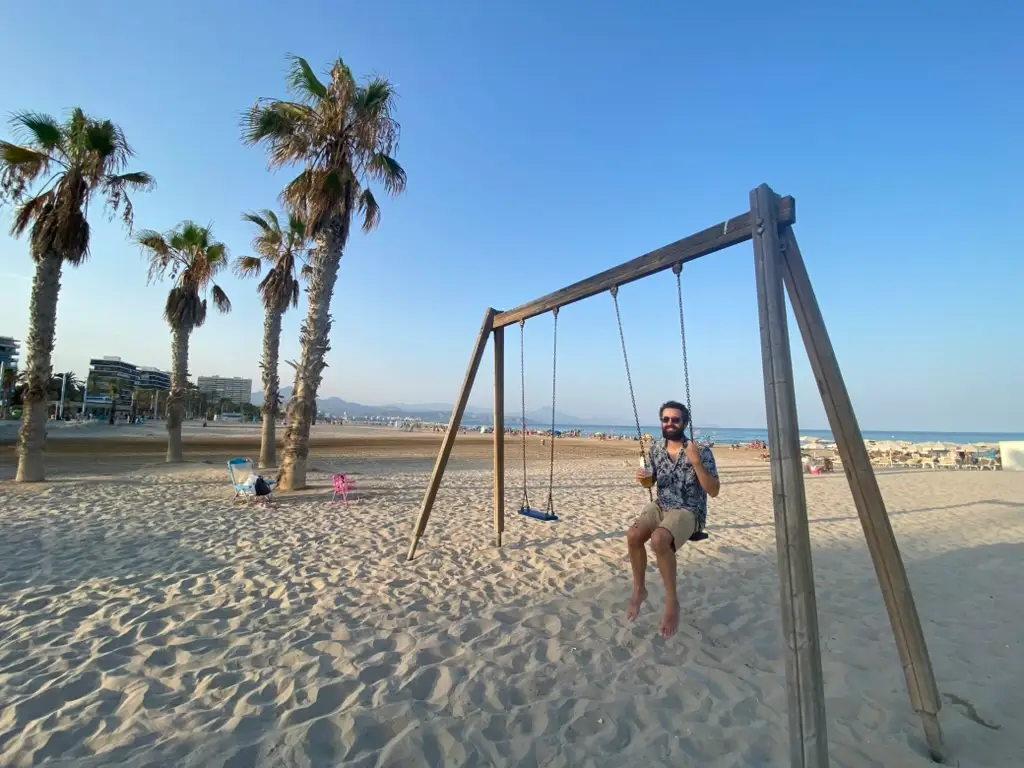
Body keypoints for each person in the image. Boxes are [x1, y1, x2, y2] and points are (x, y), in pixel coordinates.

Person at [626, 400, 720, 638]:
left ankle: (671, 603)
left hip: (689, 509)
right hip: (662, 504)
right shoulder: (656, 449)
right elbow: (652, 481)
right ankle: (639, 590)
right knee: (634, 535)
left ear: (684, 423)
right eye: (665, 419)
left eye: (675, 419)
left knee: (659, 539)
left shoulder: (701, 451)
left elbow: (714, 490)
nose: (670, 424)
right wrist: (644, 479)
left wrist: (696, 462)